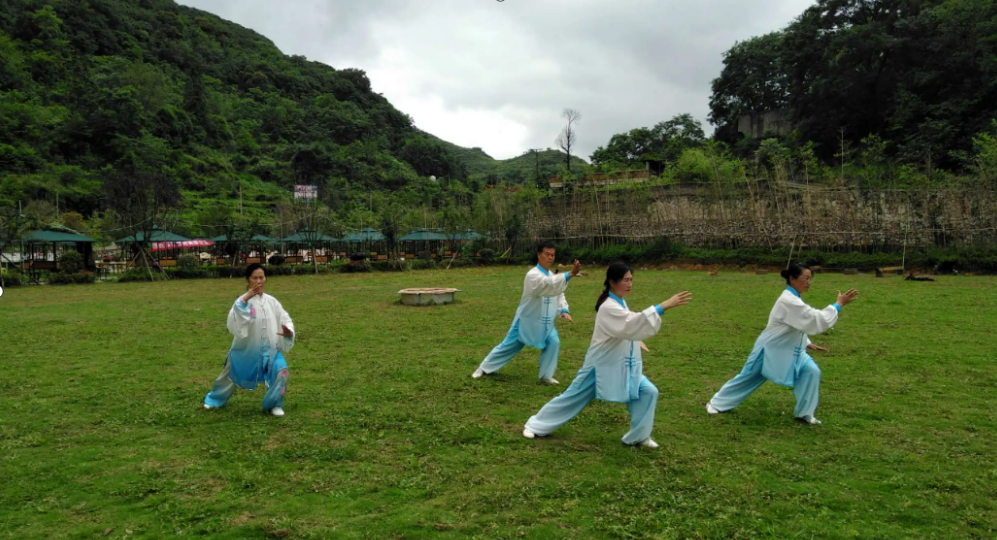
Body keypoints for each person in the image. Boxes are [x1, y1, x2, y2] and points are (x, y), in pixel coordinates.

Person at [522, 261, 692, 448]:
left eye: (631, 280)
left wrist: (636, 339)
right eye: (625, 280)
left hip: (622, 364)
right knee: (572, 397)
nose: (630, 284)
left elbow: (626, 326)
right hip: (601, 365)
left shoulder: (619, 302)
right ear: (612, 282)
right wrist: (664, 306)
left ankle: (638, 436)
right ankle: (536, 425)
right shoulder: (608, 306)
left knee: (648, 392)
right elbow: (630, 322)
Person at [706, 263, 859, 425]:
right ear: (792, 279)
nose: (808, 282)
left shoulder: (794, 299)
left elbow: (797, 323)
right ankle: (717, 403)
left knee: (811, 372)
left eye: (810, 279)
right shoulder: (788, 300)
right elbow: (814, 319)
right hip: (770, 348)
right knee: (750, 376)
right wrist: (838, 305)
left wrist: (806, 342)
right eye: (805, 278)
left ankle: (805, 413)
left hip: (793, 348)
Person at [472, 241, 582, 384]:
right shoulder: (532, 275)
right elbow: (545, 286)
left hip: (546, 321)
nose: (550, 257)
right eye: (547, 254)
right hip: (527, 319)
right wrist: (570, 274)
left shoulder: (551, 275)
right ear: (539, 255)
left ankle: (546, 376)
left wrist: (564, 309)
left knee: (553, 342)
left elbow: (558, 292)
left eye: (553, 255)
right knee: (509, 345)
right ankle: (484, 368)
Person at [203, 263, 295, 416]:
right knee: (230, 376)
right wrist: (246, 298)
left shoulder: (272, 301)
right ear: (248, 280)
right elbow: (236, 319)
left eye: (261, 277)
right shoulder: (242, 302)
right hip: (246, 349)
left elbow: (285, 318)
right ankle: (213, 399)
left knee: (281, 370)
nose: (258, 281)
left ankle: (274, 404)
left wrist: (288, 331)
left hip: (271, 349)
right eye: (255, 278)